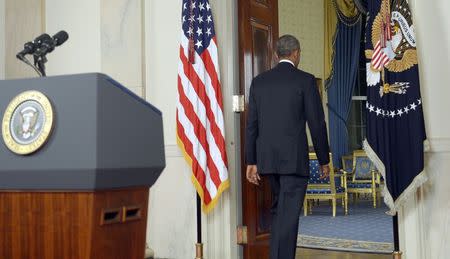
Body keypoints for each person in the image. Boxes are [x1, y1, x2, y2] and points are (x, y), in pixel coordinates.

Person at [245, 34, 331, 259]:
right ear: (296, 54)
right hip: (293, 162)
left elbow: (251, 125)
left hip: (267, 162)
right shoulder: (305, 80)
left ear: (276, 55)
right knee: (288, 217)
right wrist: (324, 159)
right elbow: (317, 123)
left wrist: (251, 161)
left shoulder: (259, 82)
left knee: (280, 214)